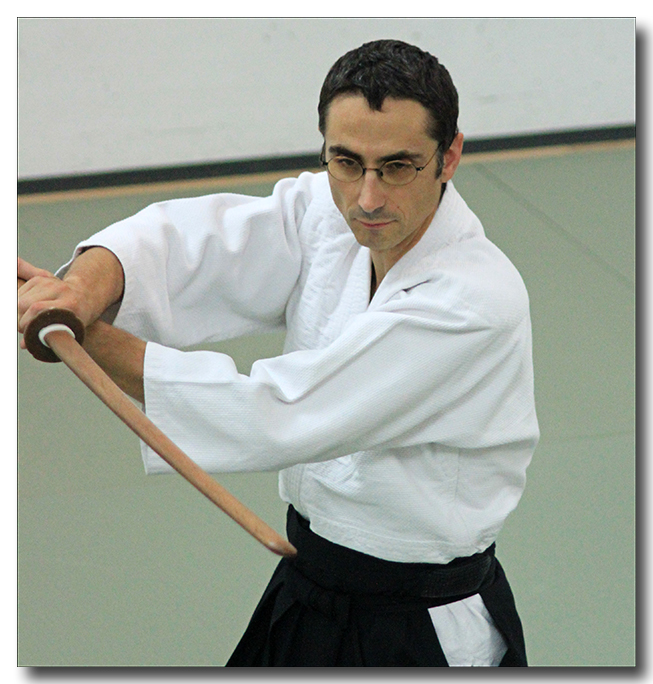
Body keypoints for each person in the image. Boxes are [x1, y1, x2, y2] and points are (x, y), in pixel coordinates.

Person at [18, 39, 539, 666]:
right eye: (346, 162)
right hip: (307, 586)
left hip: (415, 626)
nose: (367, 198)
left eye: (398, 167)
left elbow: (280, 413)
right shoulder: (329, 210)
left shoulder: (473, 301)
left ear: (449, 155)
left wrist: (85, 334)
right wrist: (79, 292)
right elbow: (192, 246)